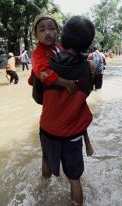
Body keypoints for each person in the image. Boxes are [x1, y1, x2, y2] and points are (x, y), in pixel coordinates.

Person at [32, 13, 95, 205]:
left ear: (62, 35)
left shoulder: (46, 66)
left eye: (51, 28)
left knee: (46, 159)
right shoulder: (89, 69)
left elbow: (38, 98)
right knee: (74, 179)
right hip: (73, 132)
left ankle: (43, 191)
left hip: (49, 129)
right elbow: (86, 93)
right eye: (42, 29)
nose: (47, 33)